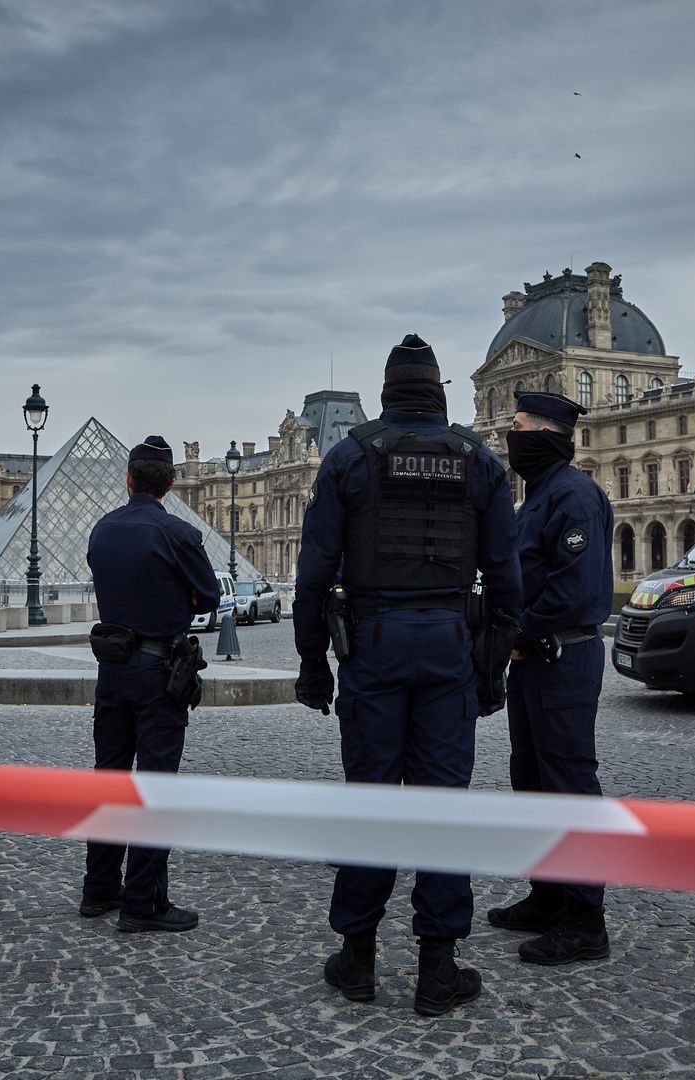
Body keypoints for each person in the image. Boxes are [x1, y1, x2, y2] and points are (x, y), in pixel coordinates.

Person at [294, 333, 523, 1017]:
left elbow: (312, 578)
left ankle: (358, 959)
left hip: (373, 644)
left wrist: (313, 664)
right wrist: (490, 669)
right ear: (440, 393)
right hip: (450, 642)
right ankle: (437, 968)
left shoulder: (350, 456)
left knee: (370, 801)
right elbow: (507, 581)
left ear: (389, 392)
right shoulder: (479, 461)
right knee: (442, 806)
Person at [487, 391, 615, 964]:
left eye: (516, 427)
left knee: (569, 786)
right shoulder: (539, 495)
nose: (510, 437)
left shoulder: (575, 496)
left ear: (543, 432)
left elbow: (577, 590)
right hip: (536, 660)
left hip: (561, 657)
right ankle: (547, 895)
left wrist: (518, 629)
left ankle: (586, 921)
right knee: (532, 780)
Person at [82, 435, 220, 933]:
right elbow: (207, 597)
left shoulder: (102, 529)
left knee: (110, 781)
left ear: (128, 477)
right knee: (154, 787)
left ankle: (99, 889)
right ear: (172, 483)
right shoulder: (177, 532)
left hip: (111, 669)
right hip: (159, 670)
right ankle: (143, 903)